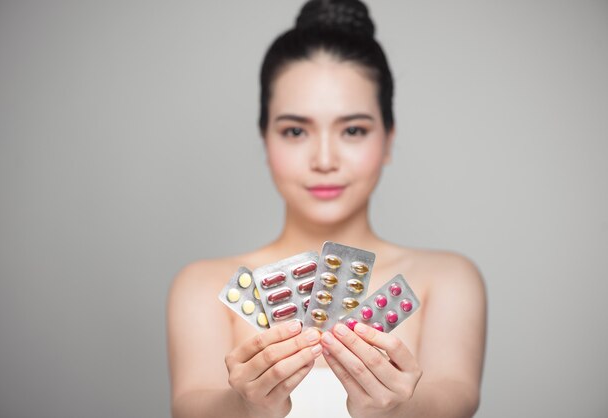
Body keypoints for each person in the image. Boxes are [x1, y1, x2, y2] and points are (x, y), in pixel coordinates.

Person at [167, 1, 486, 417]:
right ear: (265, 139)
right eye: (295, 130)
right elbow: (191, 407)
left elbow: (453, 403)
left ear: (388, 139)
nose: (324, 159)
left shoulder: (446, 281)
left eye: (353, 130)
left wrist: (393, 411)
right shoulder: (202, 286)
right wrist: (245, 407)